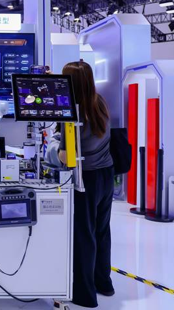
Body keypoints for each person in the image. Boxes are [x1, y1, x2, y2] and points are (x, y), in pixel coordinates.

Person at [58, 61, 115, 308]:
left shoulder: (72, 110)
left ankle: (84, 295)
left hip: (86, 179)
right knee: (101, 231)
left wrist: (53, 146)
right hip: (106, 175)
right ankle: (104, 283)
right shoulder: (99, 102)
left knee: (84, 235)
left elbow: (66, 156)